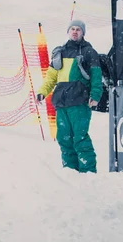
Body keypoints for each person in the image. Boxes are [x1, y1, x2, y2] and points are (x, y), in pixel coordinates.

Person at [36, 20, 103, 173]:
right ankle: (70, 172)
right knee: (64, 139)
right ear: (68, 31)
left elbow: (96, 76)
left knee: (80, 138)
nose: (75, 31)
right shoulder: (59, 52)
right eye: (72, 29)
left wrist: (95, 95)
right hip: (62, 103)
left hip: (80, 102)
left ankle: (88, 173)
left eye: (78, 29)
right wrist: (42, 92)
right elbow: (51, 78)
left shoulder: (88, 52)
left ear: (83, 33)